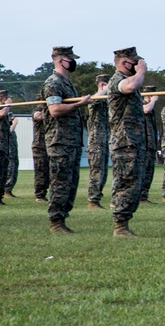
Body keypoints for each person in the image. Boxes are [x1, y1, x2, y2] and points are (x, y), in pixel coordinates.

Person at [42, 46, 92, 233]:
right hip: (59, 141)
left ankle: (62, 219)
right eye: (70, 59)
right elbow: (54, 110)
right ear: (61, 60)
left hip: (71, 141)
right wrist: (80, 104)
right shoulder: (53, 83)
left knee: (70, 183)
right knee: (60, 182)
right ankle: (56, 222)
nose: (73, 62)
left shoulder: (66, 83)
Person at [108, 46, 147, 237]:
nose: (139, 65)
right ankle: (120, 226)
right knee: (125, 182)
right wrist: (141, 73)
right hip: (125, 142)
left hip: (133, 141)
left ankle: (123, 224)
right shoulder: (118, 81)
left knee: (133, 183)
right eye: (135, 62)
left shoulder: (127, 80)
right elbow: (131, 86)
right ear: (124, 63)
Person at [86, 74, 111, 210]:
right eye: (104, 84)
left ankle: (96, 199)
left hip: (103, 142)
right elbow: (93, 100)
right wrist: (104, 90)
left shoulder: (105, 103)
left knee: (103, 173)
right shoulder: (95, 100)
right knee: (96, 172)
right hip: (96, 143)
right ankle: (93, 201)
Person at [139, 85, 159, 204]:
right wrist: (153, 101)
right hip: (143, 143)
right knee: (144, 170)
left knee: (149, 171)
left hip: (151, 144)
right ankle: (140, 196)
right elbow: (145, 110)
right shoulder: (141, 103)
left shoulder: (152, 107)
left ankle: (144, 196)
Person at [31, 97, 49, 203]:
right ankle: (39, 195)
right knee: (41, 171)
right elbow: (38, 117)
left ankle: (45, 193)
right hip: (40, 146)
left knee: (49, 172)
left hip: (49, 144)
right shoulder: (37, 110)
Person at [4, 114, 19, 198]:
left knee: (14, 170)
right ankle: (6, 190)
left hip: (13, 151)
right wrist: (14, 123)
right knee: (9, 169)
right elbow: (9, 131)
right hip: (8, 151)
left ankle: (9, 190)